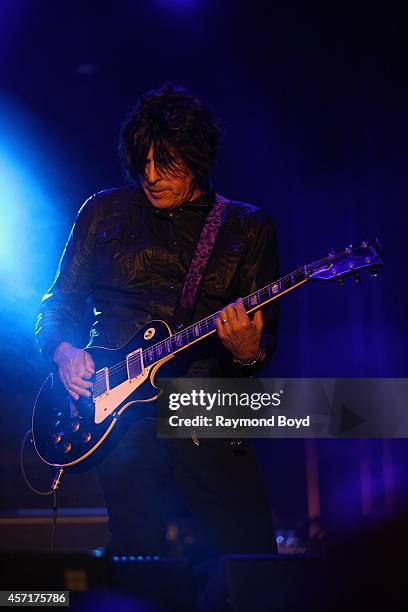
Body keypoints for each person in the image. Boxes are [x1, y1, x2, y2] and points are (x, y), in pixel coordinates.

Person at [35, 83, 279, 558]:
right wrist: (63, 351)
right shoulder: (102, 211)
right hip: (118, 414)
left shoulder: (246, 227)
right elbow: (58, 304)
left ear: (197, 157)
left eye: (165, 162)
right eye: (142, 161)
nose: (150, 175)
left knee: (244, 554)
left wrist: (249, 351)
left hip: (204, 406)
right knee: (138, 559)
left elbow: (265, 348)